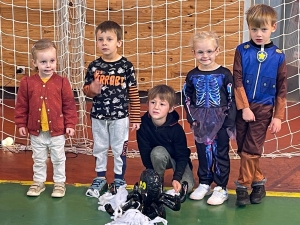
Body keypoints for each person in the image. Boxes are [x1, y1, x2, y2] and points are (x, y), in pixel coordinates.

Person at [233, 4, 287, 206]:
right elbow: (237, 79)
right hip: (242, 108)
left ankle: (241, 186)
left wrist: (278, 116)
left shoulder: (279, 55)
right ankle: (258, 183)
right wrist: (244, 107)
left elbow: (282, 88)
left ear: (273, 27)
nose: (258, 33)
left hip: (264, 109)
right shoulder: (242, 50)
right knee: (242, 148)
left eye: (263, 29)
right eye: (254, 29)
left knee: (252, 149)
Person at [83, 21, 141, 197]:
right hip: (98, 116)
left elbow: (133, 93)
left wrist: (136, 117)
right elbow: (86, 90)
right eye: (100, 39)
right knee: (99, 147)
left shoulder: (126, 66)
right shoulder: (94, 66)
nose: (104, 43)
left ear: (119, 42)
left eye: (109, 39)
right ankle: (100, 177)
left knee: (119, 148)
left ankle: (119, 180)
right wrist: (91, 89)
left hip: (120, 117)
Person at [15, 39, 77, 198]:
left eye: (52, 61)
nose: (48, 65)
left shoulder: (62, 82)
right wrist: (21, 123)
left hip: (57, 131)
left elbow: (69, 105)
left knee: (58, 158)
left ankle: (59, 184)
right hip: (37, 132)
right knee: (39, 158)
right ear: (34, 62)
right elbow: (21, 105)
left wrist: (70, 124)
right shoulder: (27, 83)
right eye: (43, 62)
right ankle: (38, 182)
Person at [183, 31, 236, 205]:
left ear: (217, 51)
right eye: (200, 52)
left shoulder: (225, 74)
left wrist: (229, 122)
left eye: (209, 51)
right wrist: (192, 119)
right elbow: (187, 98)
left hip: (221, 120)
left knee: (220, 153)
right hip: (201, 121)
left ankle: (221, 187)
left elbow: (231, 98)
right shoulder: (191, 75)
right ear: (193, 53)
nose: (205, 56)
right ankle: (204, 182)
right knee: (203, 152)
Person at [137, 84, 195, 195]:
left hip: (176, 159)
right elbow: (144, 152)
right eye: (153, 102)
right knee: (158, 153)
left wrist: (176, 178)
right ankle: (158, 181)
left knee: (187, 188)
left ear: (171, 108)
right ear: (147, 103)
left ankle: (182, 174)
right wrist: (151, 178)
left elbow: (182, 155)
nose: (156, 107)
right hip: (157, 158)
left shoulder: (176, 129)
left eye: (162, 104)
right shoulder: (142, 125)